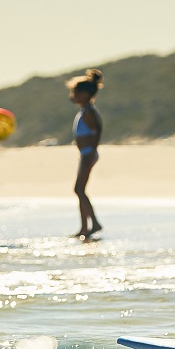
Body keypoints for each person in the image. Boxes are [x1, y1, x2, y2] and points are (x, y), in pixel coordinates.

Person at [66, 69, 105, 239]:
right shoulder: (84, 110)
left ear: (84, 94)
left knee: (79, 189)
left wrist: (92, 152)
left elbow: (97, 129)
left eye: (74, 92)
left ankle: (93, 223)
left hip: (88, 153)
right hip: (85, 153)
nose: (72, 96)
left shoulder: (89, 111)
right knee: (79, 189)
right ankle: (84, 227)